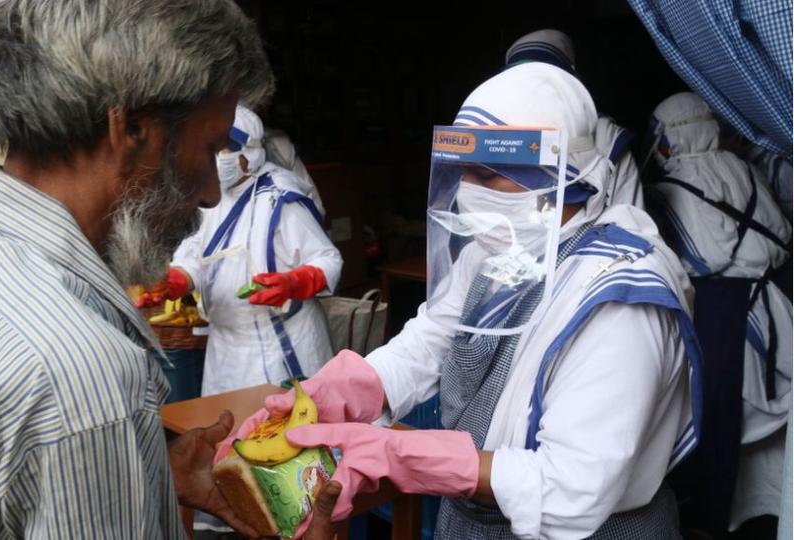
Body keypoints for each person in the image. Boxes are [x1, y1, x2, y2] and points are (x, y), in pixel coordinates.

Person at [0, 2, 338, 537]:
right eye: (207, 151)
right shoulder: (84, 377)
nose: (208, 194)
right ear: (130, 127)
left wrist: (147, 466)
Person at [223, 63, 703, 539]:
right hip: (474, 522)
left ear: (559, 173)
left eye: (488, 177)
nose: (469, 195)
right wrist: (355, 386)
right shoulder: (494, 252)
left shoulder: (620, 299)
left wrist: (407, 456)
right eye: (463, 175)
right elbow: (431, 341)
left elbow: (571, 488)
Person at [643, 92, 792, 533]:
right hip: (776, 308)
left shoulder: (667, 192)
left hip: (718, 321)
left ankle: (714, 521)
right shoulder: (744, 168)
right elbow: (780, 235)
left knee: (717, 425)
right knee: (768, 438)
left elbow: (694, 260)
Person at [165, 104, 342, 396]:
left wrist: (294, 282)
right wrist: (178, 279)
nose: (217, 157)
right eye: (211, 148)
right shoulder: (209, 195)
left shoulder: (281, 196)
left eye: (225, 148)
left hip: (281, 344)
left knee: (286, 434)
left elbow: (328, 259)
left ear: (250, 154)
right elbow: (197, 250)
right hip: (224, 350)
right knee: (225, 430)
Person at [505, 29, 643, 209]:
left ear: (567, 82)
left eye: (541, 78)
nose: (529, 88)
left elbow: (631, 221)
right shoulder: (490, 134)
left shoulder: (605, 137)